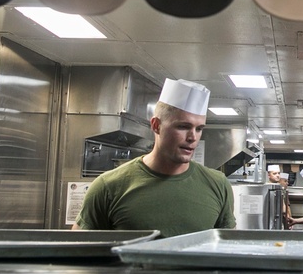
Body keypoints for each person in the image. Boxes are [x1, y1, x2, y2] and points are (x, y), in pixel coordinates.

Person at [74, 78, 235, 237]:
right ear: (156, 125)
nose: (193, 137)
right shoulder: (108, 186)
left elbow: (230, 250)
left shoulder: (218, 184)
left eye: (199, 129)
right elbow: (78, 250)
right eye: (183, 126)